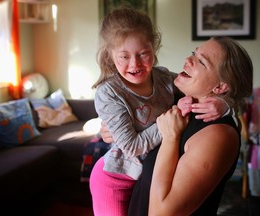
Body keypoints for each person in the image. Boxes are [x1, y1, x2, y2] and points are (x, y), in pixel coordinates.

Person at [90, 7, 229, 216]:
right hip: (115, 180)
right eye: (124, 56)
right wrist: (169, 122)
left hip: (145, 178)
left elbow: (201, 87)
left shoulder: (164, 79)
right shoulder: (109, 93)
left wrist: (223, 103)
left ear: (154, 48)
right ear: (110, 55)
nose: (134, 64)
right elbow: (133, 147)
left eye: (143, 53)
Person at [126, 36, 253, 215]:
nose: (188, 59)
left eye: (201, 61)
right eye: (194, 53)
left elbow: (162, 213)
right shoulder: (178, 103)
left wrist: (170, 138)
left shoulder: (218, 134)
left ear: (220, 87)